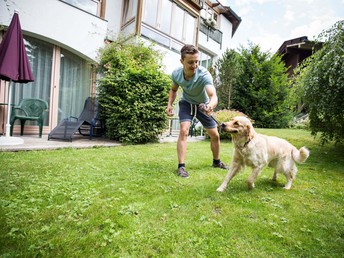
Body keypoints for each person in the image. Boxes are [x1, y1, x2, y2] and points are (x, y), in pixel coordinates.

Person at [166, 44, 228, 178]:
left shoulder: (204, 74)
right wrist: (169, 104)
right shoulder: (176, 74)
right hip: (186, 103)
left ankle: (216, 162)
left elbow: (213, 95)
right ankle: (181, 167)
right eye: (190, 62)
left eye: (196, 61)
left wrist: (210, 105)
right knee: (184, 130)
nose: (194, 65)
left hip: (203, 105)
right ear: (182, 61)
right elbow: (173, 90)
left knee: (215, 135)